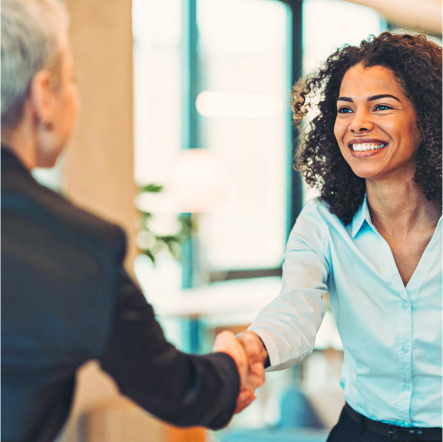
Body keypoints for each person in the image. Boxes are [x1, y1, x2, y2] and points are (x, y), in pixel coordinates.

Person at [0, 1, 264, 441]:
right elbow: (178, 389)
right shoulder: (77, 247)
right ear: (43, 96)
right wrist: (231, 369)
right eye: (73, 81)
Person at [236, 31, 443, 441]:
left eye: (382, 106)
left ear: (429, 117)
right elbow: (295, 309)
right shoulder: (322, 222)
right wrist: (251, 347)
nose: (359, 124)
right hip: (360, 430)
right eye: (345, 109)